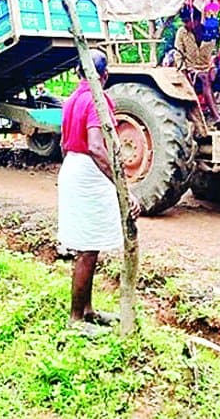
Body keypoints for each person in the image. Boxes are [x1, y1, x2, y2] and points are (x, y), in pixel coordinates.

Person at [57, 49, 140, 336]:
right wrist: (121, 186)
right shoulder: (97, 99)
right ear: (103, 76)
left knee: (88, 246)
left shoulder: (71, 100)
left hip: (73, 166)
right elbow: (95, 145)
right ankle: (76, 319)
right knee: (87, 250)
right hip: (87, 172)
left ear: (79, 73)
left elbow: (63, 143)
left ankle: (88, 310)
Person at [173, 7, 220, 124]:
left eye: (188, 21)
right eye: (184, 21)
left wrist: (213, 65)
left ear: (197, 20)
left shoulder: (209, 32)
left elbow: (218, 50)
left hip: (208, 66)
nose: (186, 24)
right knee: (204, 77)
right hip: (192, 69)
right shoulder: (182, 33)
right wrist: (184, 71)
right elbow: (178, 54)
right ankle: (216, 117)